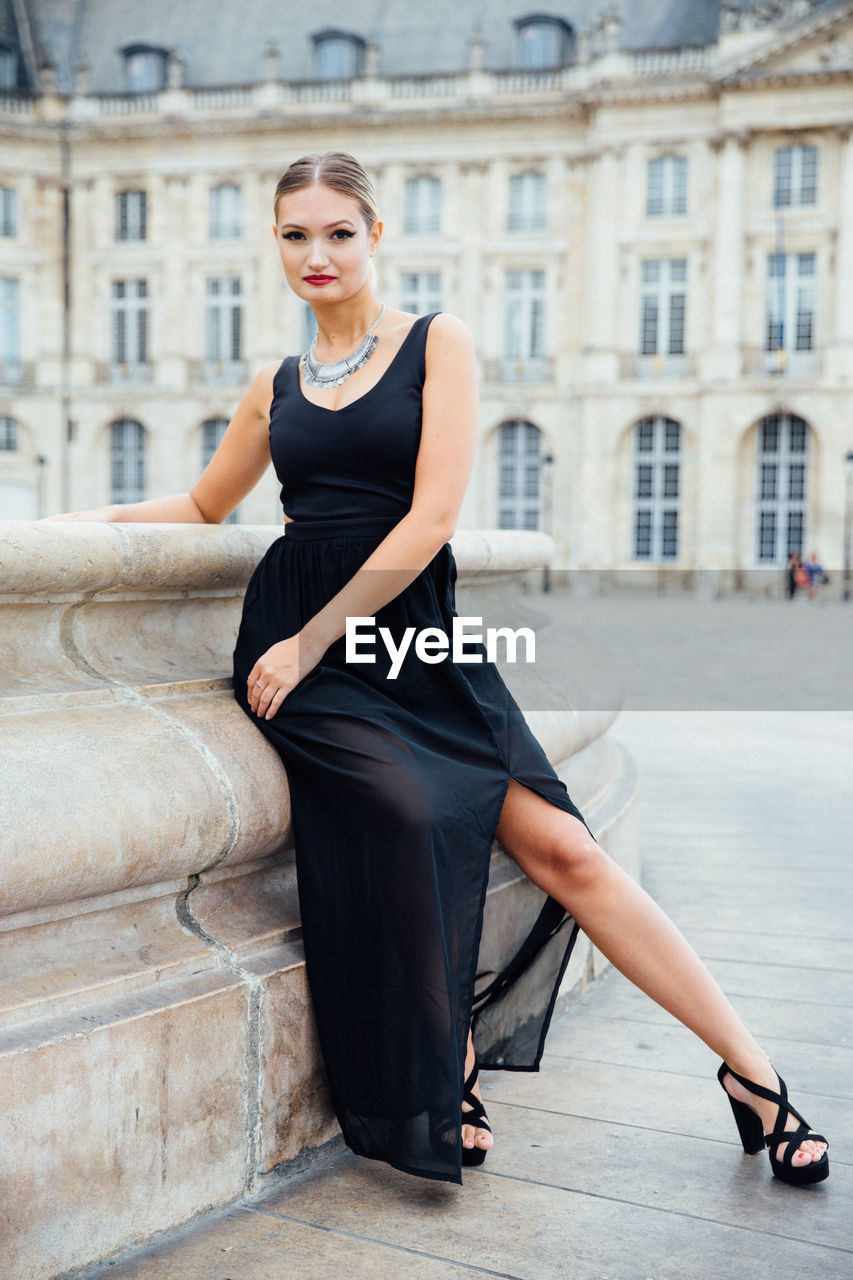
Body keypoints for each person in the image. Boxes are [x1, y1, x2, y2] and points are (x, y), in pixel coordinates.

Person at [42, 151, 829, 1189]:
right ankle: (443, 1059)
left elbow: (433, 518)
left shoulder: (433, 343)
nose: (315, 253)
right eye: (293, 234)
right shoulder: (272, 385)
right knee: (412, 812)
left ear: (376, 235)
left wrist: (314, 635)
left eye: (336, 231)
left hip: (390, 636)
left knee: (568, 851)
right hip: (303, 652)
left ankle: (753, 1074)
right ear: (274, 243)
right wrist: (64, 524)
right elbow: (199, 509)